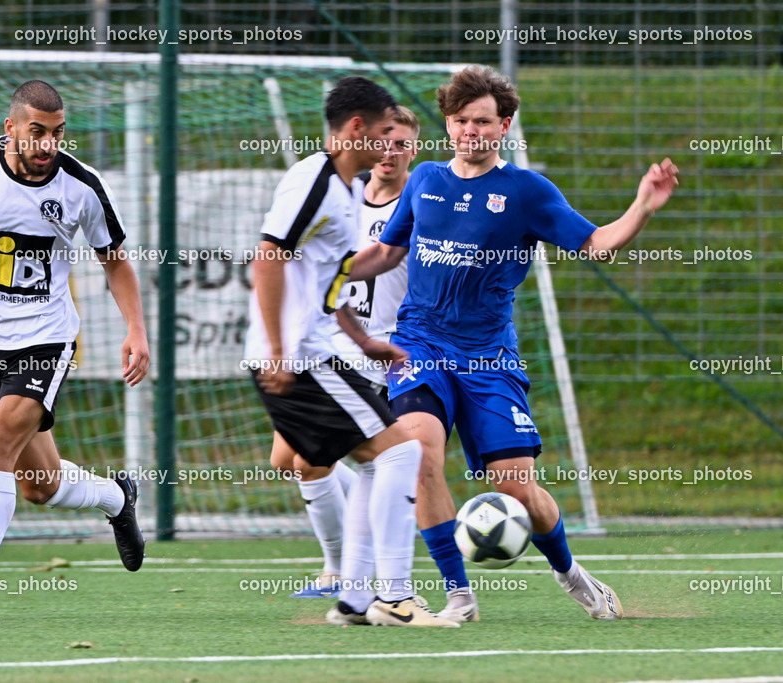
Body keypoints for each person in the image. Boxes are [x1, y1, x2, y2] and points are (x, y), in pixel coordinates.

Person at [353, 65, 679, 620]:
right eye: (460, 121)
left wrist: (642, 208)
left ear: (504, 125)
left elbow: (597, 245)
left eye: (482, 121)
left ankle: (573, 575)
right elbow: (387, 252)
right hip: (419, 345)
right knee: (418, 455)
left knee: (518, 492)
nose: (469, 131)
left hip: (488, 357)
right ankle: (459, 597)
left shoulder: (527, 191)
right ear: (448, 124)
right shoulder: (426, 179)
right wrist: (325, 275)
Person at [0, 80, 149, 620]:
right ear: (11, 129)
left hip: (46, 338)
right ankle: (117, 498)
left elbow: (115, 261)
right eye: (37, 133)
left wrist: (135, 329)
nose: (47, 145)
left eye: (58, 133)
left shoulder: (81, 186)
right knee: (39, 485)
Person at [245, 78, 456, 627]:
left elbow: (331, 279)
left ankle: (357, 602)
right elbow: (267, 259)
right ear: (357, 128)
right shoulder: (314, 181)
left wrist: (365, 342)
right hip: (303, 356)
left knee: (373, 463)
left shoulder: (341, 192)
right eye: (384, 132)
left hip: (323, 349)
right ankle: (394, 598)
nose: (389, 144)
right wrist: (277, 351)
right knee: (400, 454)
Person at [267, 107, 422, 600]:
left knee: (318, 462)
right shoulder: (347, 196)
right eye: (385, 140)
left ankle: (344, 574)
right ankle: (382, 526)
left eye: (401, 144)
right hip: (331, 342)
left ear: (414, 151)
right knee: (286, 459)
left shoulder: (419, 205)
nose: (390, 152)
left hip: (378, 350)